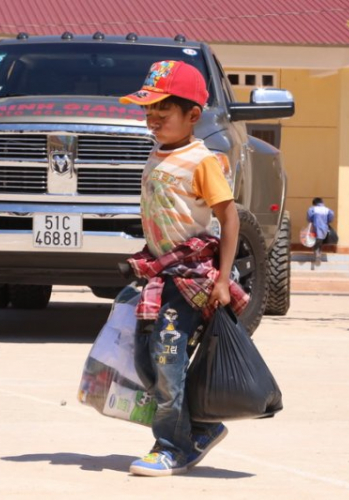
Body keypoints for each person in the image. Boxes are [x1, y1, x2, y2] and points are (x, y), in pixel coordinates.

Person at [119, 60, 247, 477]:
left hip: (191, 279)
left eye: (163, 112)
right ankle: (201, 430)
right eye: (148, 112)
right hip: (161, 276)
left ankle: (172, 446)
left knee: (168, 358)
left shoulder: (203, 161)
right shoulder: (158, 152)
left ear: (193, 115)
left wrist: (224, 279)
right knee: (145, 359)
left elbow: (229, 219)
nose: (152, 120)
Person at [307, 197, 334, 265]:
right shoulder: (327, 210)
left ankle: (317, 253)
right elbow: (331, 216)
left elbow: (309, 217)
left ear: (314, 203)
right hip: (324, 228)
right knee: (320, 240)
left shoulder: (312, 209)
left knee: (316, 240)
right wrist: (327, 221)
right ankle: (318, 253)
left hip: (315, 227)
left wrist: (311, 220)